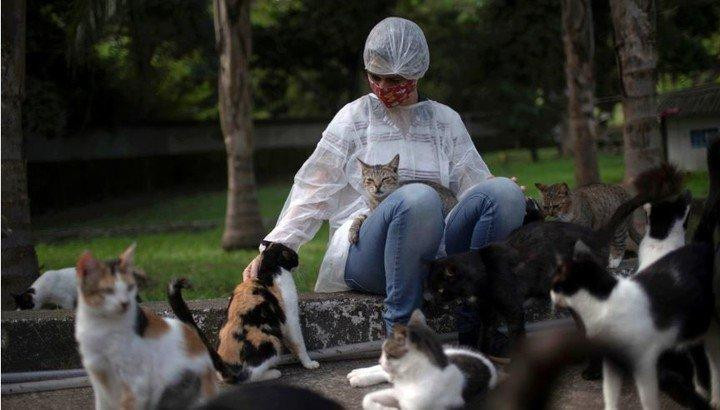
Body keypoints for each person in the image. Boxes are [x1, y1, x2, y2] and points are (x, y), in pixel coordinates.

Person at [243, 17, 526, 360]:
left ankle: (480, 326)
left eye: (394, 80)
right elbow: (313, 190)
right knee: (418, 197)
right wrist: (274, 249)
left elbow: (474, 189)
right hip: (367, 252)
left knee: (504, 194)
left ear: (416, 73)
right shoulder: (354, 118)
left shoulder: (444, 121)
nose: (382, 86)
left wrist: (505, 192)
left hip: (439, 258)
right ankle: (400, 336)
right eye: (374, 77)